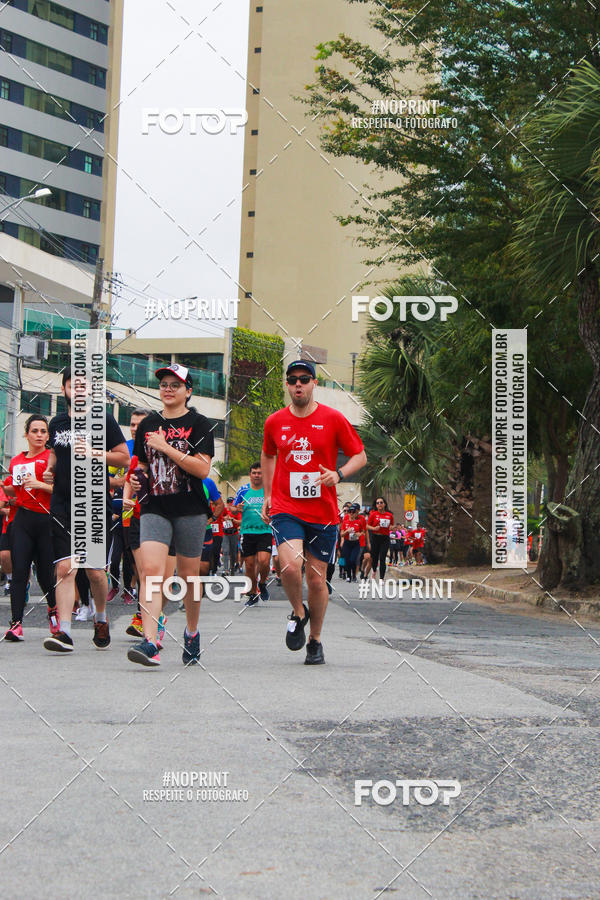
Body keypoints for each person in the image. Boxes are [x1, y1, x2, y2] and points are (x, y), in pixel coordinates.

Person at [261, 360, 366, 665]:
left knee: (317, 581)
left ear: (314, 383)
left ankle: (315, 639)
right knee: (290, 566)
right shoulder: (274, 422)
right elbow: (268, 454)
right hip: (286, 507)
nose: (298, 384)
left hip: (322, 511)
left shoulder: (333, 419)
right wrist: (268, 494)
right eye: (292, 379)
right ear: (287, 384)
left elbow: (360, 455)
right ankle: (298, 611)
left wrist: (339, 474)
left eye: (304, 379)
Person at [125, 364, 214, 667]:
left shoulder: (199, 424)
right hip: (154, 506)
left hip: (190, 507)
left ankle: (191, 632)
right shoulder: (149, 424)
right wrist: (136, 478)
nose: (167, 388)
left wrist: (167, 447)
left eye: (175, 384)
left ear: (188, 391)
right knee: (150, 570)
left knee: (189, 577)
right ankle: (150, 642)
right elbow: (141, 466)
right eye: (163, 383)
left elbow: (202, 469)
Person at [43, 369, 130, 653]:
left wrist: (96, 454)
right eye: (73, 385)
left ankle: (101, 617)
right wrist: (49, 468)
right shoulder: (56, 422)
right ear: (64, 388)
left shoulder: (103, 420)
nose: (78, 390)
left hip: (93, 502)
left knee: (94, 571)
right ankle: (64, 632)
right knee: (65, 568)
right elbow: (56, 450)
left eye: (84, 386)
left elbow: (123, 458)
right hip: (62, 502)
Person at [4, 415, 59, 641]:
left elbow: (63, 493)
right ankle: (16, 624)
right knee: (19, 573)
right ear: (26, 434)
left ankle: (54, 613)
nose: (39, 435)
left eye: (43, 431)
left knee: (46, 575)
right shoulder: (16, 461)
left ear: (48, 436)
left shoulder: (51, 458)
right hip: (23, 520)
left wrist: (40, 485)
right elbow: (14, 490)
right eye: (34, 431)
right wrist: (7, 488)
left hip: (46, 520)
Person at [233, 462, 273, 607]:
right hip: (247, 532)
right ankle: (252, 594)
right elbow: (232, 508)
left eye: (259, 473)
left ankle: (262, 583)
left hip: (265, 530)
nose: (257, 475)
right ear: (250, 474)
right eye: (254, 472)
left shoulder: (269, 491)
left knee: (263, 561)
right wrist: (236, 508)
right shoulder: (243, 490)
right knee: (249, 565)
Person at [367, 497, 394, 580]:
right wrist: (374, 529)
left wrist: (391, 527)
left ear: (384, 504)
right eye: (377, 503)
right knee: (374, 557)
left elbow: (392, 525)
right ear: (376, 505)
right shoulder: (373, 514)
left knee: (382, 558)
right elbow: (367, 525)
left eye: (381, 502)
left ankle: (382, 578)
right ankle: (374, 570)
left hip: (385, 538)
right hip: (375, 537)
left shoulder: (389, 515)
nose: (379, 504)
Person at [341, 504, 367, 582]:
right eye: (350, 512)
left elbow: (363, 531)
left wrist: (360, 534)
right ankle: (349, 576)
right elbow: (341, 534)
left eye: (353, 512)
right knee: (348, 560)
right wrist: (346, 531)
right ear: (348, 513)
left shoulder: (358, 522)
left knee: (353, 560)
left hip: (356, 544)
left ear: (356, 513)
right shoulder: (345, 522)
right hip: (347, 543)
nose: (351, 513)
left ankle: (354, 576)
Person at [221, 497, 241, 576]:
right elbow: (220, 516)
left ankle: (232, 568)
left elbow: (240, 522)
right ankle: (225, 570)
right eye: (228, 502)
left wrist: (232, 519)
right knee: (225, 551)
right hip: (225, 534)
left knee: (233, 553)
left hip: (234, 534)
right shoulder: (224, 510)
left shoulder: (236, 512)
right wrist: (224, 518)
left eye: (231, 503)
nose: (230, 504)